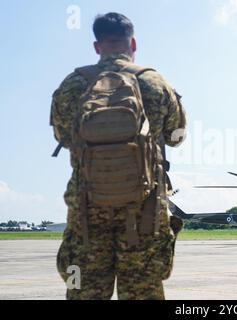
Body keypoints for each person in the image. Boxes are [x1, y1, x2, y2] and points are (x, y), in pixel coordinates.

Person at [50, 12, 186, 300]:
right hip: (144, 209)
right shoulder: (154, 82)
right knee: (142, 291)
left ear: (97, 46)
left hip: (87, 208)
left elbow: (63, 137)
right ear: (132, 42)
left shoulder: (72, 85)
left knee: (83, 289)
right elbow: (177, 136)